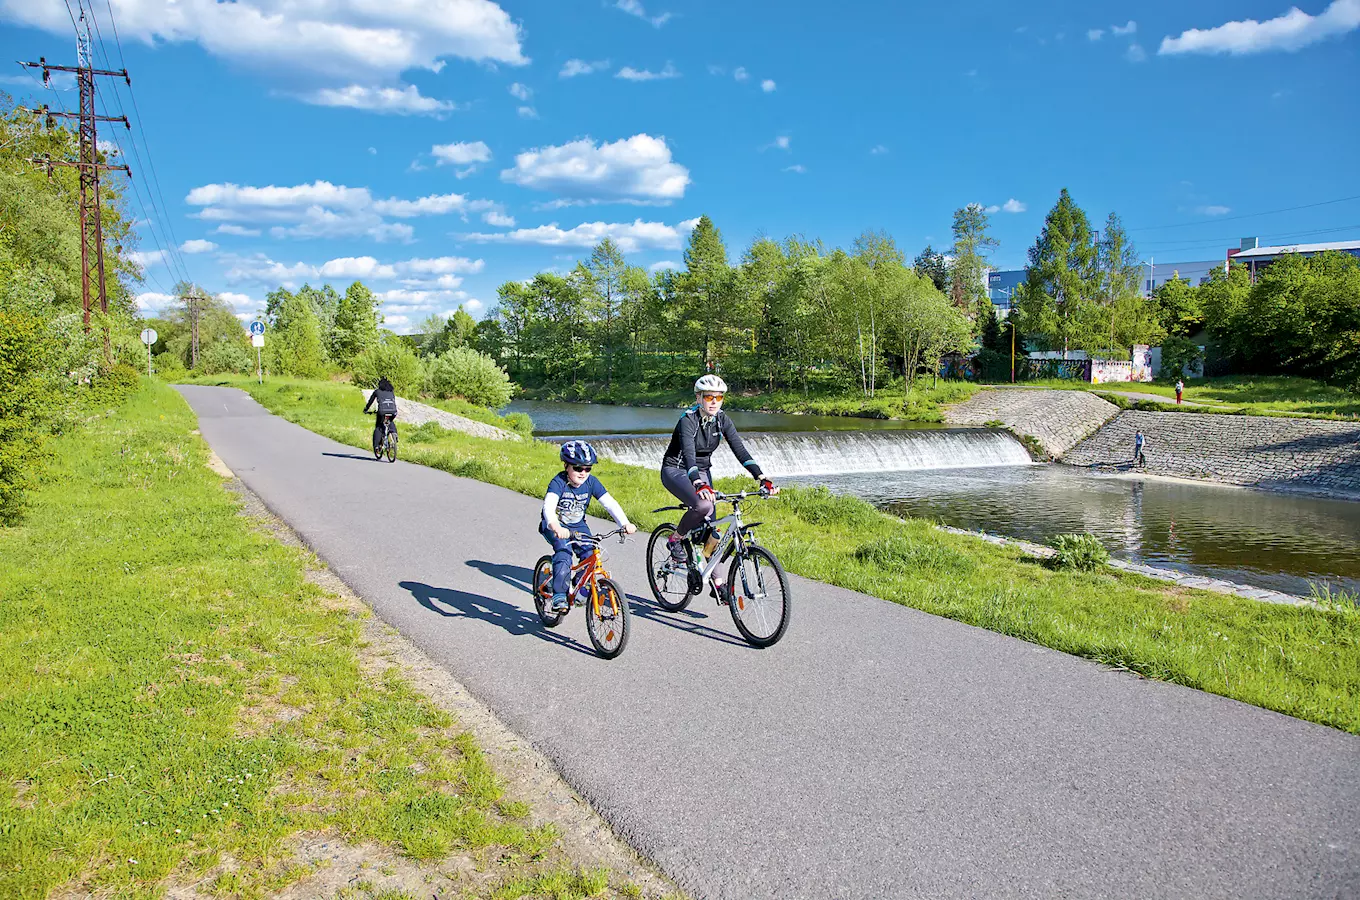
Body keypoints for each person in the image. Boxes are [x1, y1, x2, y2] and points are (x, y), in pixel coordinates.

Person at [660, 374, 777, 600]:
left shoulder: (722, 419)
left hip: (701, 472)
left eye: (719, 397)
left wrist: (762, 478)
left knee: (713, 531)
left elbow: (740, 451)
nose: (714, 401)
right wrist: (698, 483)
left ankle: (719, 583)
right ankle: (675, 539)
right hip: (677, 470)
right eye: (709, 397)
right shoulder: (688, 420)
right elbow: (689, 456)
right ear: (699, 397)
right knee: (703, 506)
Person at [540, 440, 636, 613]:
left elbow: (610, 504)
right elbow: (548, 506)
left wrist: (625, 523)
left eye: (587, 468)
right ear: (566, 466)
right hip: (556, 526)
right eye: (578, 468)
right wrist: (554, 525)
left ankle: (579, 587)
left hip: (578, 526)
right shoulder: (558, 482)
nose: (583, 473)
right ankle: (560, 595)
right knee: (564, 554)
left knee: (590, 554)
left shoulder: (591, 482)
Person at [363, 376, 399, 452]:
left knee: (379, 427)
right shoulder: (391, 392)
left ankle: (376, 446)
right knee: (390, 421)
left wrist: (366, 409)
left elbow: (370, 401)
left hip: (382, 411)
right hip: (393, 411)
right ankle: (394, 433)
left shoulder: (377, 391)